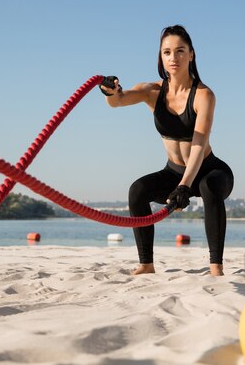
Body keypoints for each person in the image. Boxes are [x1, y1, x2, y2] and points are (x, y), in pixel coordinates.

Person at [99, 25, 234, 277]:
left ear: (191, 55)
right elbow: (117, 101)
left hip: (208, 169)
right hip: (173, 172)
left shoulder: (204, 95)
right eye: (167, 52)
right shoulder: (152, 92)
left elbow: (199, 143)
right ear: (161, 56)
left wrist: (185, 186)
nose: (174, 58)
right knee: (137, 190)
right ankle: (146, 264)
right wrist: (110, 91)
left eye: (180, 51)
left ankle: (216, 267)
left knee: (209, 187)